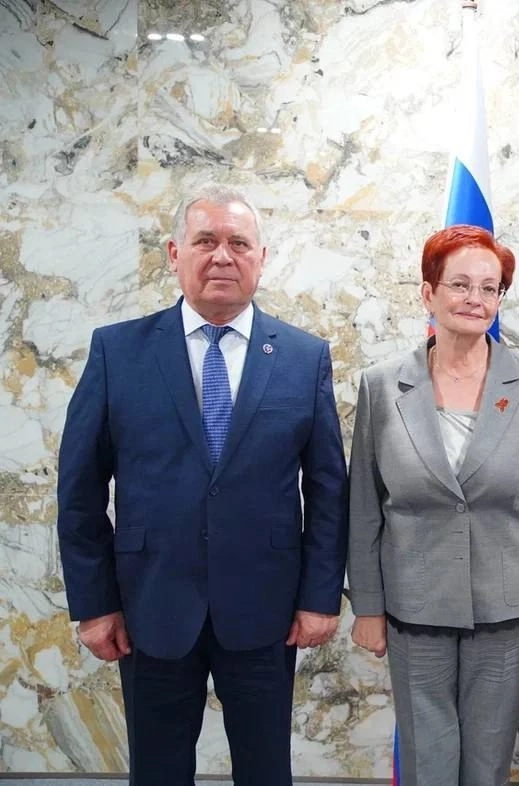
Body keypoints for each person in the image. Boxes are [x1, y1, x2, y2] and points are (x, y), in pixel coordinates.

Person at [56, 184, 349, 786]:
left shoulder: (303, 357)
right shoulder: (118, 352)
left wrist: (321, 596)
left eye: (238, 243)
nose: (222, 256)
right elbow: (79, 491)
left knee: (266, 771)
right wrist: (94, 604)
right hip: (150, 607)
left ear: (261, 258)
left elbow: (327, 490)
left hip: (265, 610)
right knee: (158, 772)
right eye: (205, 241)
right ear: (174, 253)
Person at [348, 225, 519, 786]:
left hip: (506, 607)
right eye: (461, 285)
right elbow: (365, 507)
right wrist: (367, 607)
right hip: (414, 607)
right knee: (429, 760)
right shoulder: (381, 385)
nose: (476, 299)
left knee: (489, 759)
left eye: (490, 288)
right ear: (429, 292)